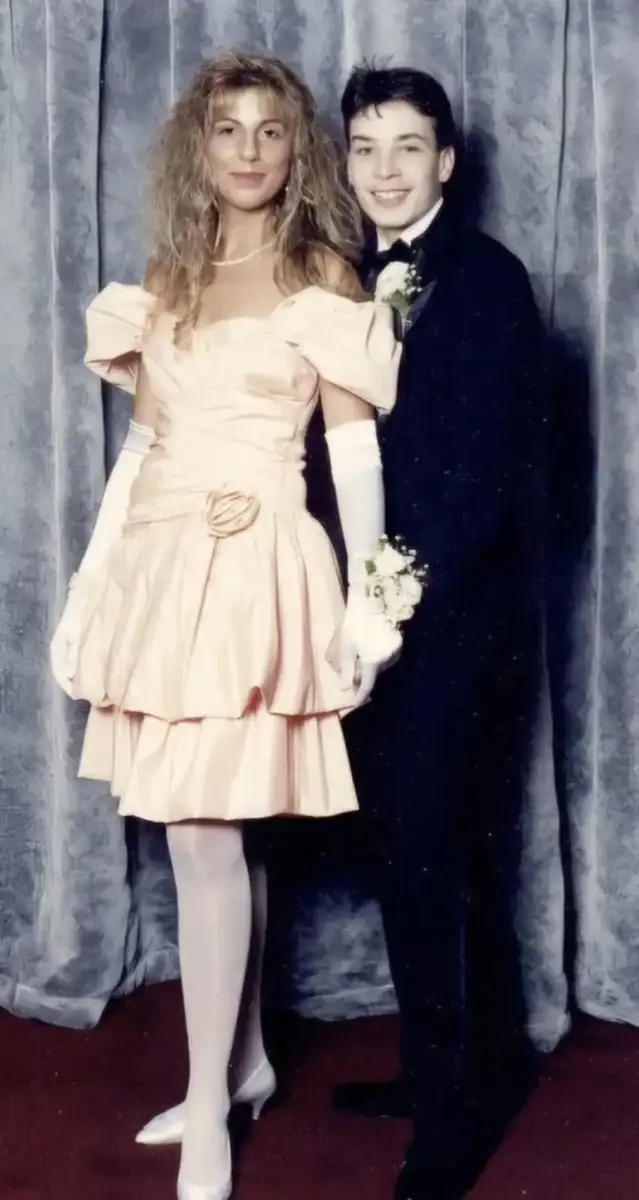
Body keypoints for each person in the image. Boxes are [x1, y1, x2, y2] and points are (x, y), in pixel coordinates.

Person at [50, 53, 402, 1200]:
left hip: (261, 572)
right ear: (196, 151)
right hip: (164, 568)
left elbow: (351, 449)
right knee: (217, 833)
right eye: (225, 132)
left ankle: (209, 1111)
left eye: (268, 131)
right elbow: (143, 450)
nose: (247, 151)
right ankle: (244, 1066)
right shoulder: (170, 277)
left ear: (294, 148)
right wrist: (92, 584)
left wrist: (367, 598)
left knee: (208, 833)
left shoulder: (321, 273)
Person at [332, 66, 546, 1200]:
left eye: (408, 148)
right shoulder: (349, 276)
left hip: (455, 631)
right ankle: (453, 1068)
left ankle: (458, 1115)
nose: (385, 170)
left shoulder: (489, 284)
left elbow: (471, 489)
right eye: (366, 147)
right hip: (374, 628)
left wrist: (388, 617)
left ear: (448, 161)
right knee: (414, 861)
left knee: (442, 866)